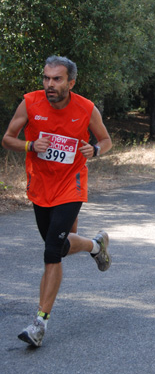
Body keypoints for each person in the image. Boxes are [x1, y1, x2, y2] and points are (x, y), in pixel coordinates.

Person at [2, 55, 113, 347]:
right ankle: (95, 245)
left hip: (71, 186)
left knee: (52, 251)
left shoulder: (86, 108)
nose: (50, 84)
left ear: (71, 82)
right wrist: (29, 145)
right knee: (60, 248)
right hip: (40, 185)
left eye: (57, 79)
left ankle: (40, 323)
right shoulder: (30, 102)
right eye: (46, 78)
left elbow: (106, 140)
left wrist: (95, 150)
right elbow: (7, 138)